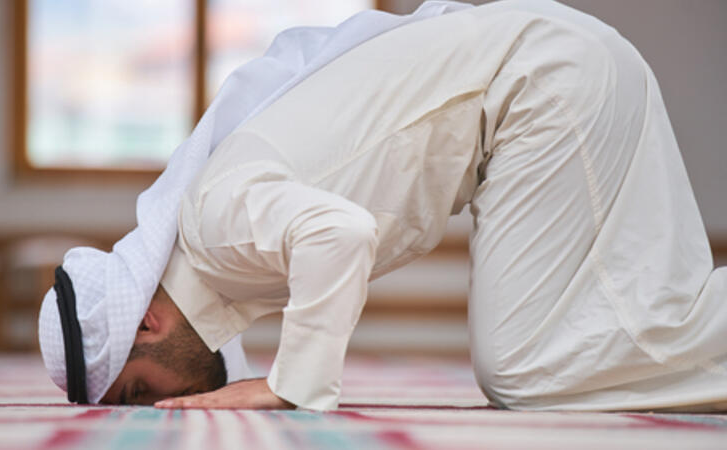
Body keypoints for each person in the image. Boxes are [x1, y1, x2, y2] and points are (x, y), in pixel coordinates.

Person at [38, 0, 727, 412]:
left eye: (139, 392)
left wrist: (291, 386)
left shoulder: (211, 225)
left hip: (542, 85)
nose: (165, 406)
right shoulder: (220, 251)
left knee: (521, 367)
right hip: (544, 83)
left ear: (148, 323)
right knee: (598, 328)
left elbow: (340, 233)